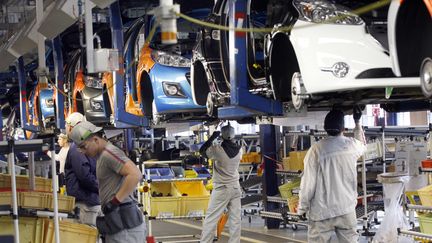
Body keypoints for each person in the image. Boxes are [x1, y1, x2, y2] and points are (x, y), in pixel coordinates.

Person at [298, 108, 366, 243]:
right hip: (346, 209)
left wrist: (302, 208)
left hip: (321, 212)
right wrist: (357, 122)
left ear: (324, 128)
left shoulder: (316, 150)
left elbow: (308, 185)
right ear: (343, 128)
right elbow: (363, 145)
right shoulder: (351, 145)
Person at [70, 121, 145, 243]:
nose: (83, 152)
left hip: (125, 226)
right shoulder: (101, 156)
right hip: (118, 224)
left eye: (84, 146)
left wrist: (115, 201)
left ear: (95, 139)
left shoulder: (108, 154)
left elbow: (135, 174)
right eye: (80, 149)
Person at [199, 124, 243, 243]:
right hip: (235, 188)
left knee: (211, 218)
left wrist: (212, 137)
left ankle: (205, 241)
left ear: (222, 136)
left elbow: (202, 151)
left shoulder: (217, 150)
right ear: (233, 135)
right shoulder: (240, 149)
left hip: (222, 189)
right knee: (235, 219)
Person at [64, 112, 101, 226]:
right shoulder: (89, 143)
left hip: (85, 203)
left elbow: (84, 176)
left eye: (66, 126)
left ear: (71, 127)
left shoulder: (77, 148)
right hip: (92, 200)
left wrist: (100, 188)